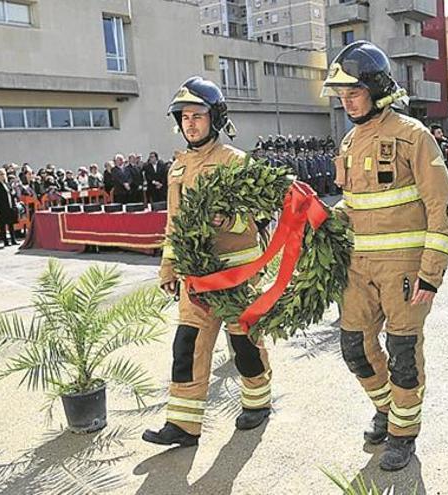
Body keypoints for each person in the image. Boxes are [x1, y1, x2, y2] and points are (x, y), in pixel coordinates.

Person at [322, 40, 448, 471]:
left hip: (405, 270)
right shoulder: (347, 141)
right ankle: (386, 408)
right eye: (341, 96)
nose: (346, 102)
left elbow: (441, 206)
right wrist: (323, 219)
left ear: (377, 89)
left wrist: (431, 274)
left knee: (402, 352)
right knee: (353, 348)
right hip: (357, 270)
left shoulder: (412, 135)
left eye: (353, 93)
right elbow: (356, 204)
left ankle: (403, 433)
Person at [142, 76, 271, 448]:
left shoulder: (235, 161)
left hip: (237, 276)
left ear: (214, 118)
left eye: (197, 115)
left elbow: (262, 214)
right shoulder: (178, 166)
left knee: (243, 343)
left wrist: (227, 221)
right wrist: (168, 266)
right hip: (195, 279)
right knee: (187, 346)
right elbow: (174, 221)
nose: (190, 123)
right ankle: (183, 426)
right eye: (184, 117)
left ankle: (257, 401)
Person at [0, 168, 19, 246]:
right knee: (2, 225)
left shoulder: (7, 184)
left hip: (10, 206)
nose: (3, 176)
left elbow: (12, 194)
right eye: (1, 174)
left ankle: (13, 240)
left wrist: (13, 193)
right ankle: (5, 241)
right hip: (1, 207)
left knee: (11, 224)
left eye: (4, 174)